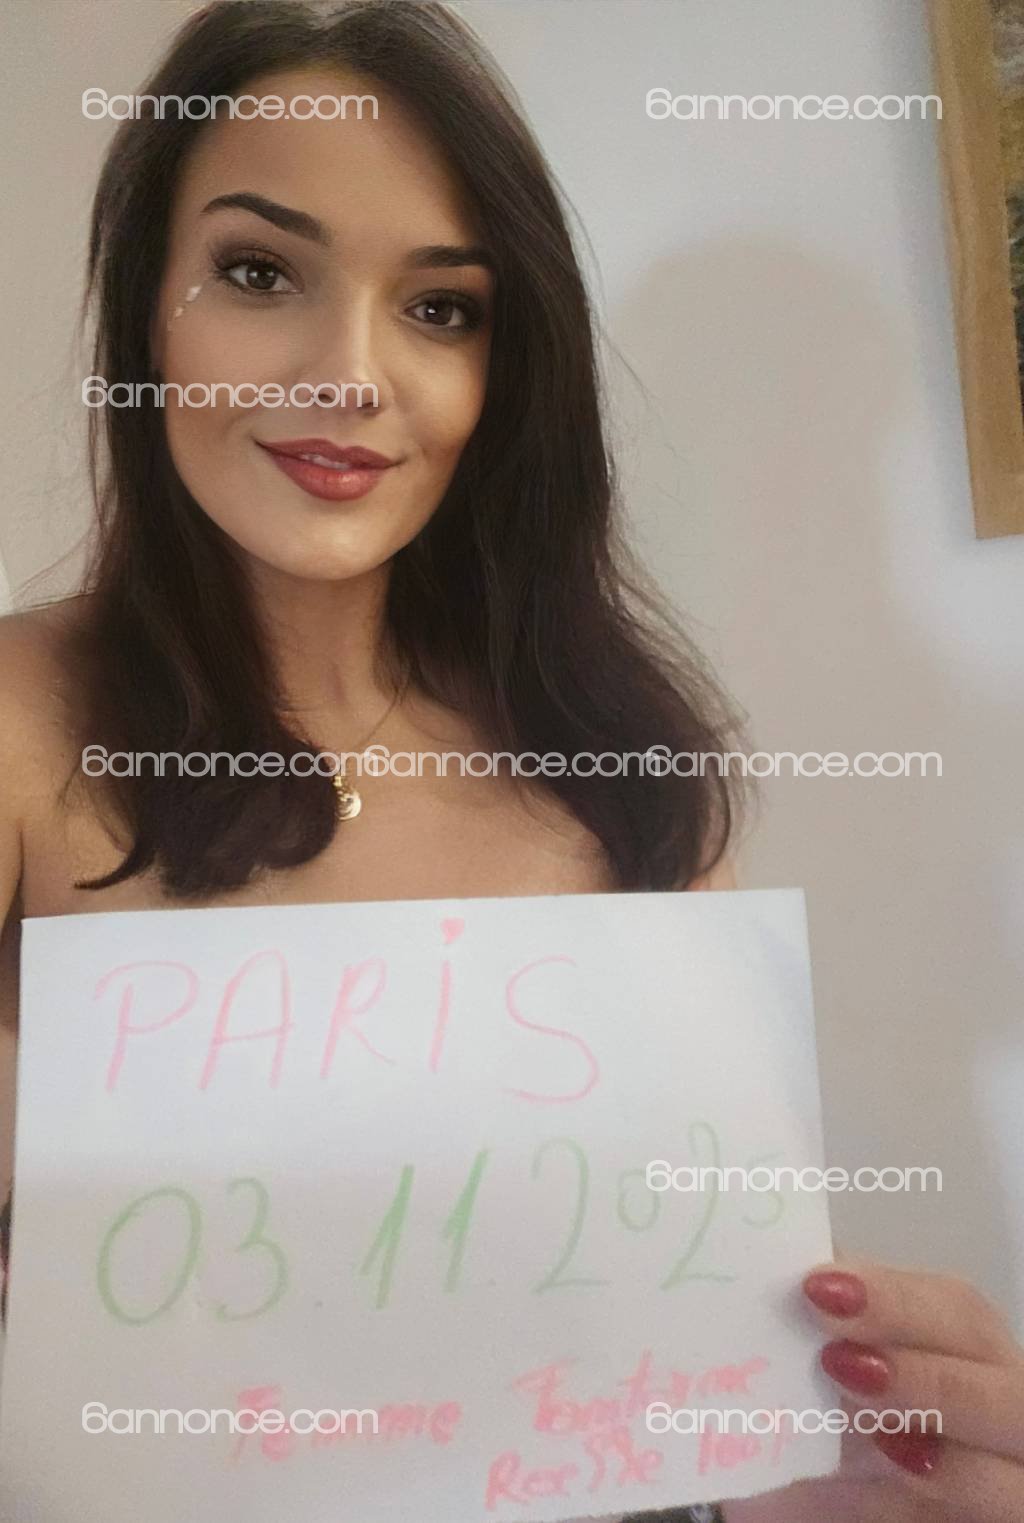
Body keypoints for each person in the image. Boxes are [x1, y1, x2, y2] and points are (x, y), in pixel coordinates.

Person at [0, 5, 1021, 1521]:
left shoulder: (622, 760)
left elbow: (671, 1354)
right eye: (261, 273)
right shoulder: (24, 728)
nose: (351, 375)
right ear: (148, 310)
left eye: (440, 308)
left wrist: (816, 1472)